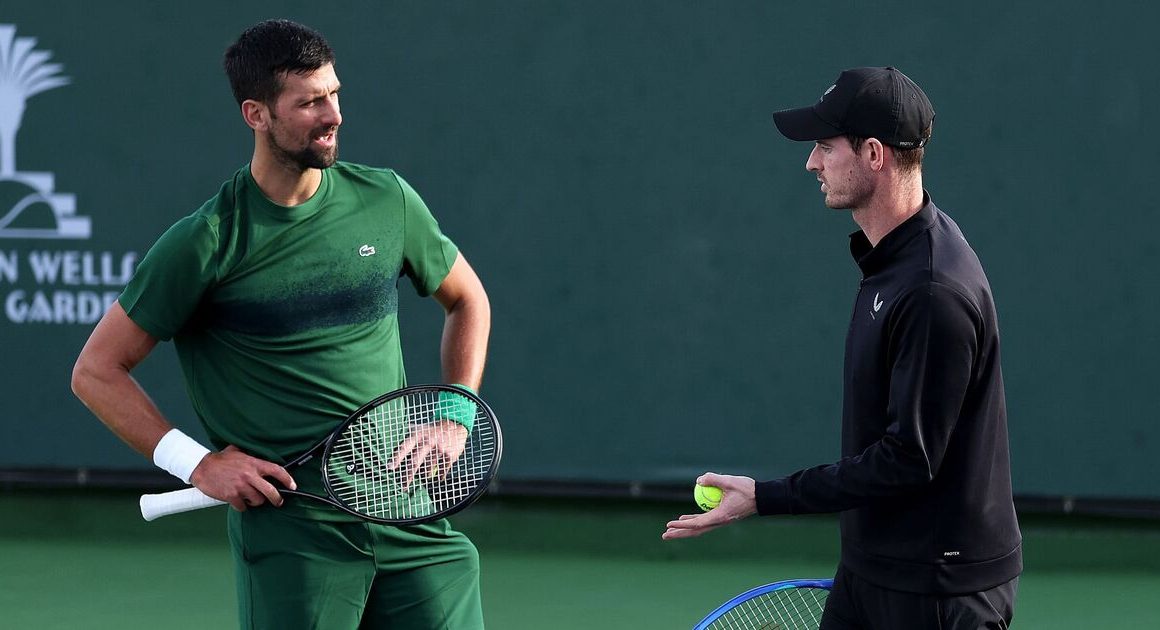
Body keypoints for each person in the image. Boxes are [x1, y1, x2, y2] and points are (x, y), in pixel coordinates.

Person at [71, 19, 491, 629]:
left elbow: (468, 300)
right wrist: (198, 464)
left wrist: (456, 413)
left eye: (335, 94)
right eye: (310, 102)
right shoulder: (206, 242)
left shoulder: (388, 200)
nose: (334, 115)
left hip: (409, 514)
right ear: (257, 114)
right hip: (294, 539)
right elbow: (95, 371)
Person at [662, 67, 1021, 629]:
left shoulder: (931, 290)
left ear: (873, 153)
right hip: (874, 570)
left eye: (825, 147)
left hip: (937, 590)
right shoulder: (891, 261)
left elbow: (908, 460)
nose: (811, 162)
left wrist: (765, 496)